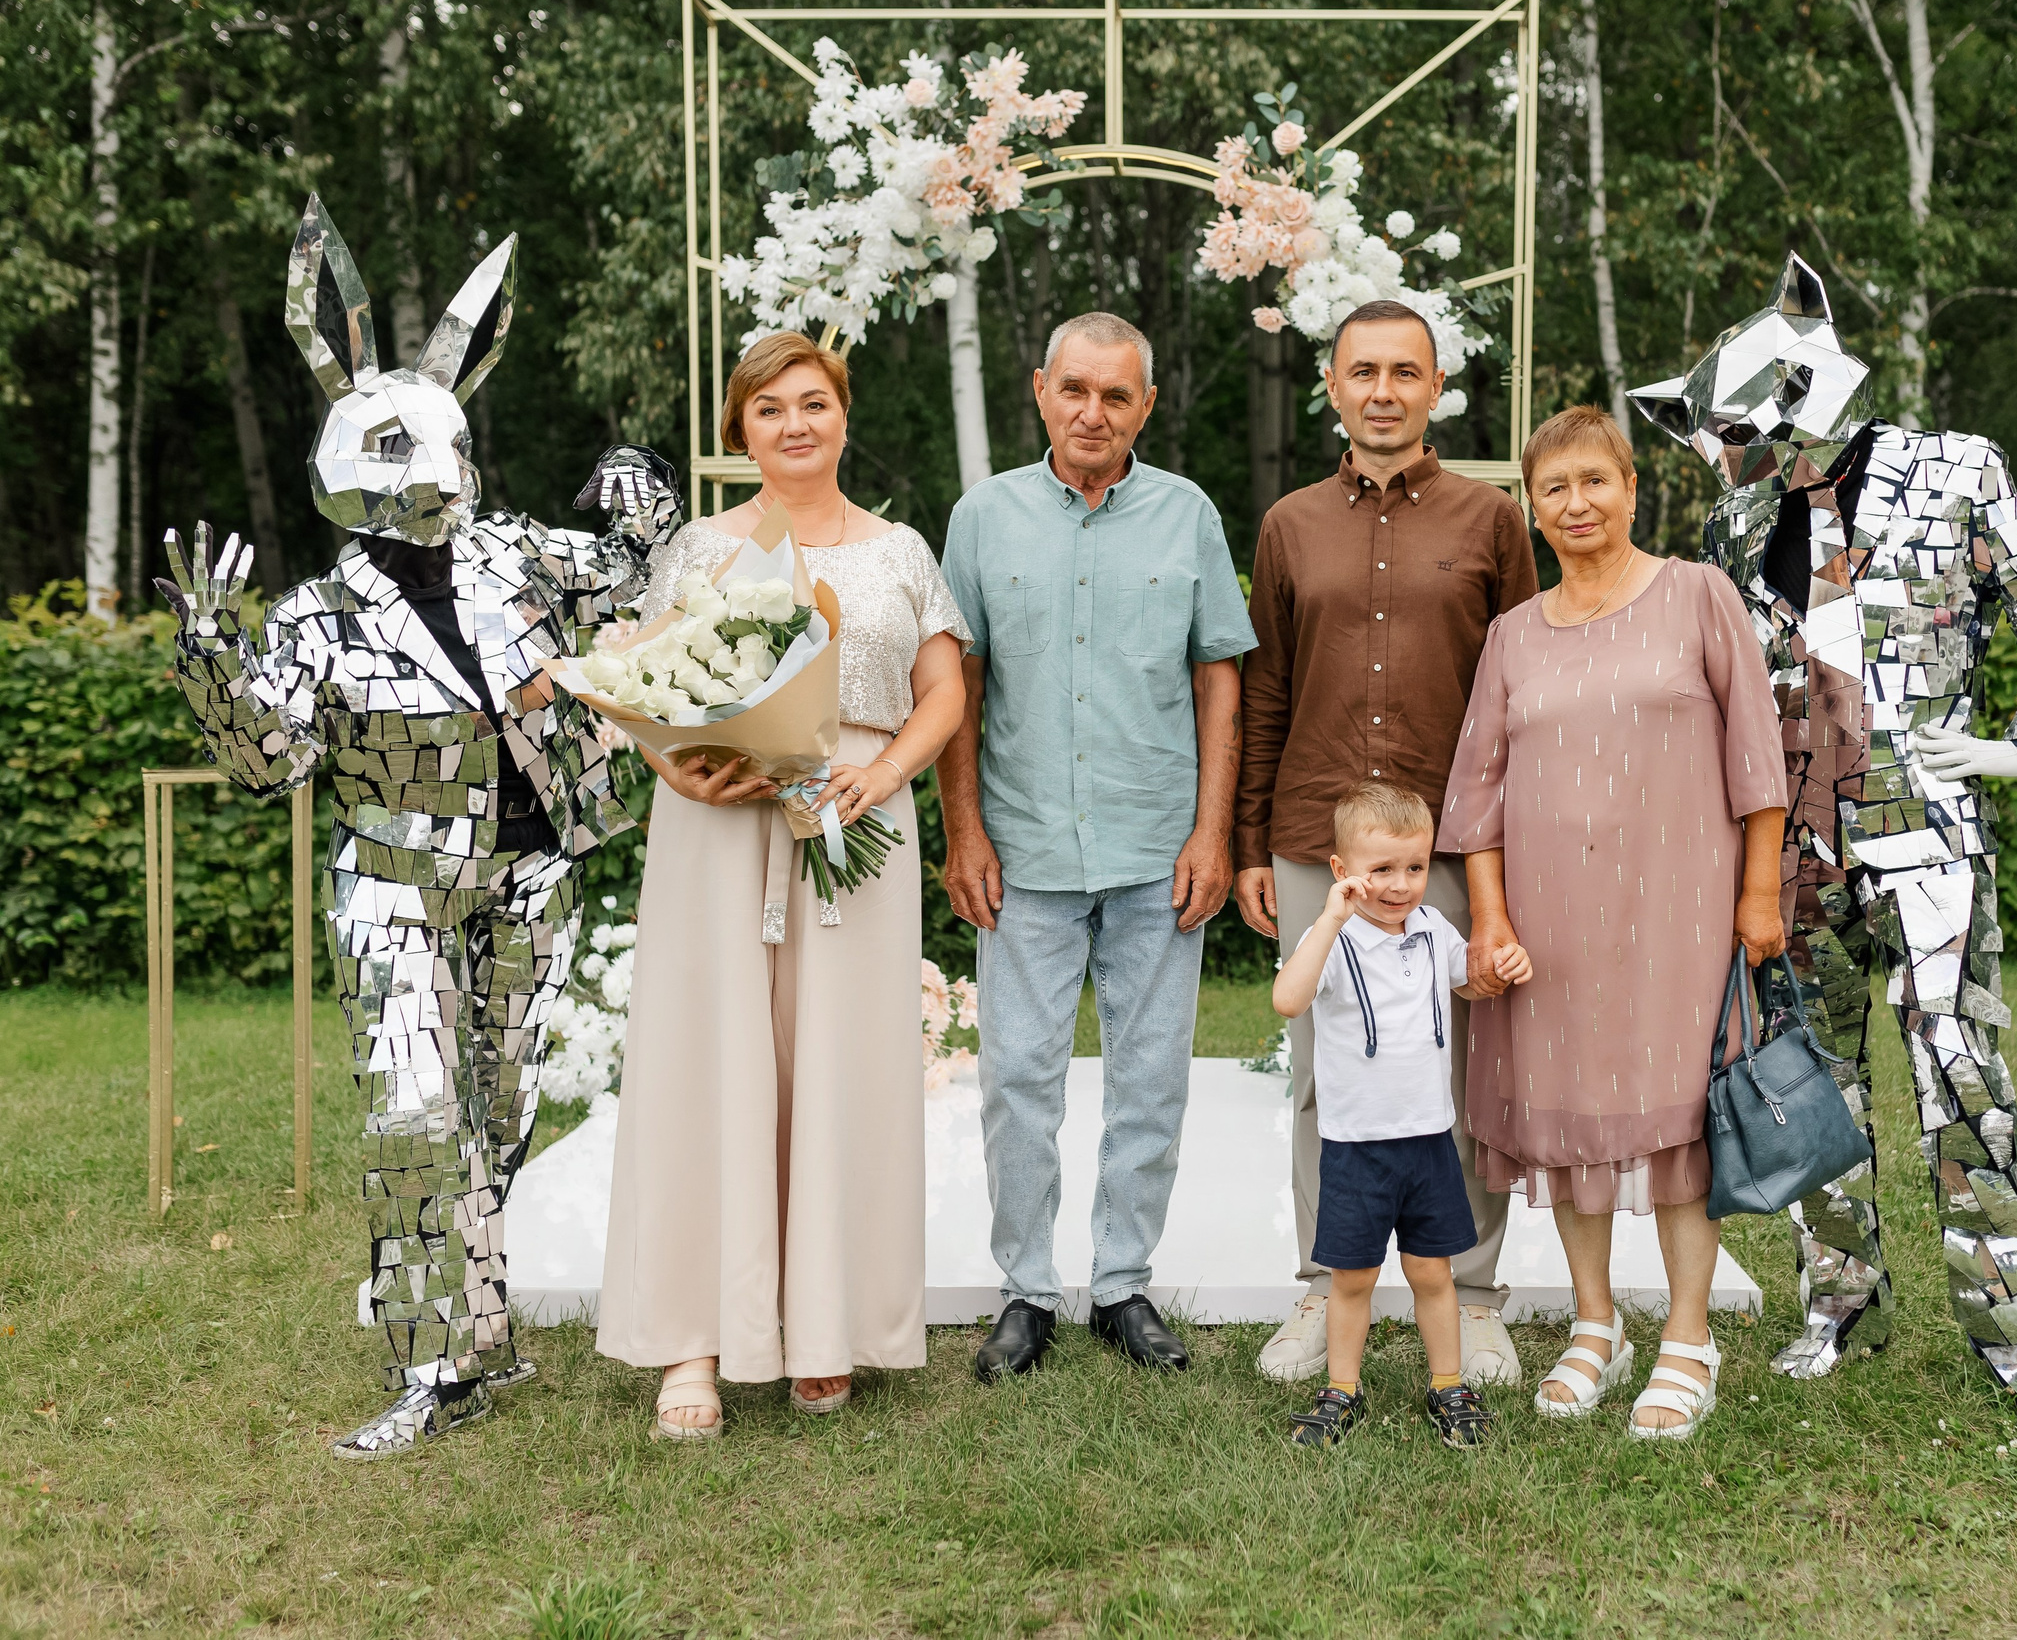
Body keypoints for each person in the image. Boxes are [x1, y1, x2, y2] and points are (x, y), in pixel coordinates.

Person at [158, 195, 681, 1459]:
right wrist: (210, 662)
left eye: (444, 442)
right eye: (398, 447)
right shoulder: (312, 618)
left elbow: (634, 575)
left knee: (499, 1117)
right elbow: (266, 760)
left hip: (528, 872)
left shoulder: (516, 558)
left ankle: (481, 1332)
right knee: (411, 1118)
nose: (435, 472)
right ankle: (429, 1365)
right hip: (396, 889)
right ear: (344, 453)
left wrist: (645, 499)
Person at [1627, 254, 2017, 1440]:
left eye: (1746, 425)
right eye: (1719, 435)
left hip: (1927, 841)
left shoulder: (1954, 469)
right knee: (1811, 1088)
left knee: (1965, 1087)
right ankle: (1838, 1307)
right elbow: (1726, 687)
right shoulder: (1736, 518)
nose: (1735, 451)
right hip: (1793, 852)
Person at [595, 331, 969, 1440]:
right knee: (708, 1064)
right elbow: (642, 684)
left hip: (858, 816)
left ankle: (825, 1329)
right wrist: (678, 764)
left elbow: (943, 689)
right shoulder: (702, 552)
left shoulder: (902, 549)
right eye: (770, 410)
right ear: (739, 433)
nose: (795, 424)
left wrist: (883, 773)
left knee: (843, 1068)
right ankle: (693, 1347)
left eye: (814, 403)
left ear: (843, 417)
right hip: (719, 825)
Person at [1439, 405, 1790, 1441]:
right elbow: (1476, 799)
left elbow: (1756, 759)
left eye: (1595, 481)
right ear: (1532, 508)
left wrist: (1759, 894)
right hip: (1548, 926)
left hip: (1678, 913)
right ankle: (1595, 1325)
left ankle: (1688, 1336)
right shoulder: (1510, 636)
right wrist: (1490, 923)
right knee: (1570, 1118)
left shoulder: (1696, 595)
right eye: (1554, 488)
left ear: (1632, 489)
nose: (1576, 503)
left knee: (1676, 1117)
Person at [938, 311, 1258, 1380]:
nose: (1092, 412)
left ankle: (1122, 1285)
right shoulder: (981, 518)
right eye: (1075, 389)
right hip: (1022, 853)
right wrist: (964, 832)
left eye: (1115, 396)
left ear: (1145, 408)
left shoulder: (1187, 514)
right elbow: (957, 687)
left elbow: (1221, 673)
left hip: (1156, 846)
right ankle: (1025, 1290)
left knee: (1150, 1079)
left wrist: (1214, 831)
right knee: (1017, 1079)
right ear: (1039, 391)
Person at [1233, 300, 1539, 1390]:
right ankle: (1330, 1287)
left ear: (1435, 386)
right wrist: (1255, 844)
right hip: (1321, 836)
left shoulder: (1491, 522)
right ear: (1331, 384)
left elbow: (1521, 691)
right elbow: (1264, 689)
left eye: (1403, 372)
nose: (1382, 390)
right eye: (1362, 370)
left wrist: (1514, 845)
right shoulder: (1287, 526)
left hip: (1455, 843)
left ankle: (1479, 1293)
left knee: (1465, 1067)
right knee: (1328, 1075)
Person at [1270, 785, 1530, 1450]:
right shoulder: (1333, 941)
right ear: (1341, 871)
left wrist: (1496, 966)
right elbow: (1287, 997)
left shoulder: (1431, 929)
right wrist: (1328, 920)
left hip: (1427, 1144)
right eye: (1381, 869)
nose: (1400, 884)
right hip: (1358, 1149)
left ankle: (1448, 1382)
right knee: (1352, 1279)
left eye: (1414, 867)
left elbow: (1465, 981)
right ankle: (1341, 1389)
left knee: (1432, 1272)